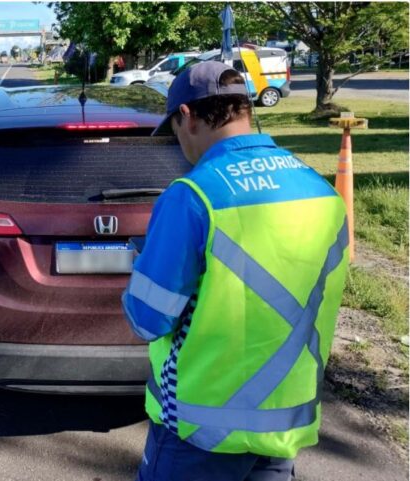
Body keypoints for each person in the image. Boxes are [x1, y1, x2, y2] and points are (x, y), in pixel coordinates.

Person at [123, 61, 349, 480]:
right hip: (283, 426)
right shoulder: (320, 191)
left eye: (173, 129)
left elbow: (148, 319)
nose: (179, 143)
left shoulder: (192, 196)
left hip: (197, 433)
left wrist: (142, 268)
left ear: (186, 116)